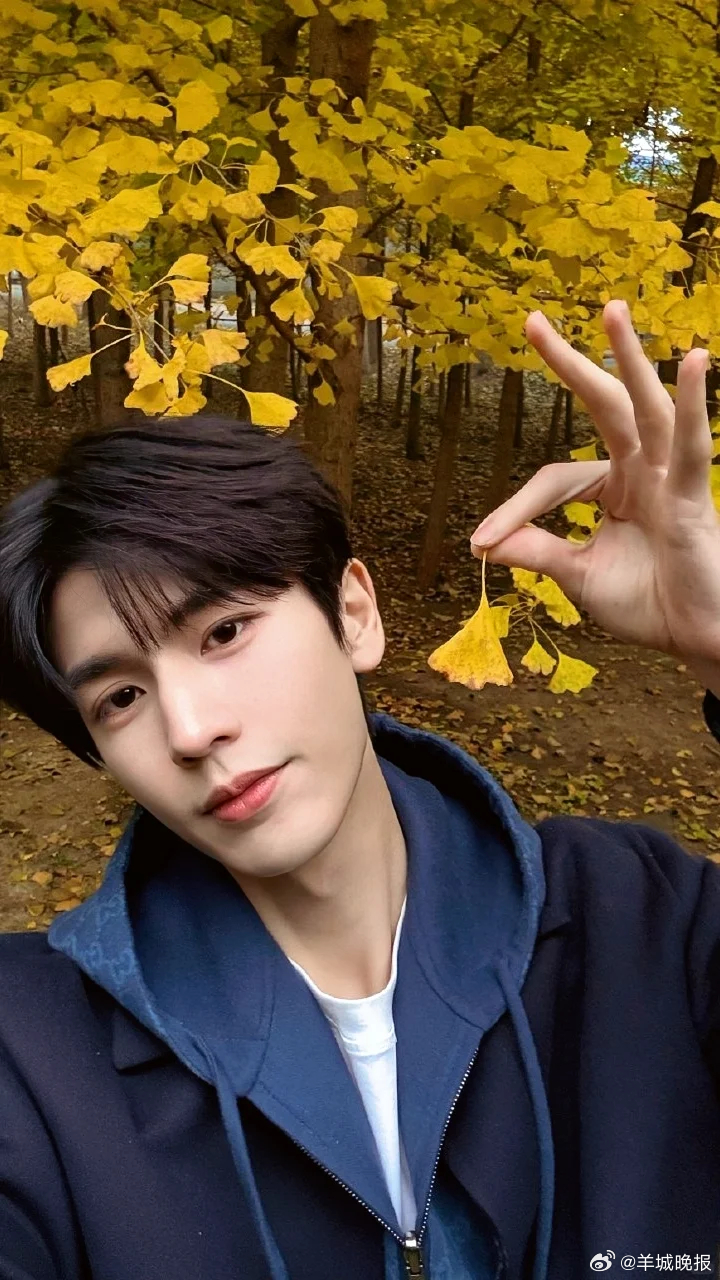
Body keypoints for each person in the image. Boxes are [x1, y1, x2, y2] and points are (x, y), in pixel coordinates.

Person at [1, 298, 720, 1280]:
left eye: (223, 632)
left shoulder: (644, 922)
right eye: (121, 697)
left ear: (353, 614)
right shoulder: (34, 1053)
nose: (191, 729)